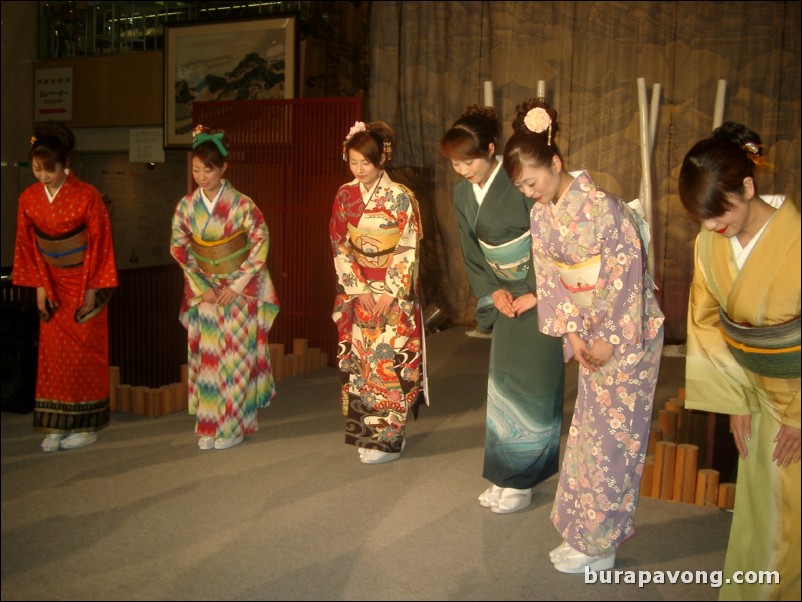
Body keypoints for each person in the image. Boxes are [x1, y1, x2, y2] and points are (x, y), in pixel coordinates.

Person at [502, 98, 664, 571]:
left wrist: (609, 340)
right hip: (589, 333)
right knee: (590, 435)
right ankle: (583, 532)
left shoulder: (604, 209)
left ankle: (602, 543)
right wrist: (572, 336)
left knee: (616, 440)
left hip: (626, 336)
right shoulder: (542, 216)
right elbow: (551, 281)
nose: (530, 194)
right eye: (522, 188)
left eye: (532, 182)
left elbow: (626, 277)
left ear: (555, 163)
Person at [678, 122, 800, 601]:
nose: (710, 226)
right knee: (759, 511)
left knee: (791, 518)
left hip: (796, 396)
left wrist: (798, 414)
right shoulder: (710, 244)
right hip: (751, 394)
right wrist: (734, 403)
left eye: (718, 212)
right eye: (701, 217)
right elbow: (705, 323)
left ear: (747, 187)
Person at [439, 105, 565, 513]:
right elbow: (470, 248)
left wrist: (534, 290)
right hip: (507, 296)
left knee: (534, 386)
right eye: (455, 163)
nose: (462, 170)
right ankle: (503, 472)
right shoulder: (462, 194)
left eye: (468, 161)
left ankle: (523, 480)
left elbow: (547, 239)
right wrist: (493, 291)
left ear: (491, 150)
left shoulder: (518, 183)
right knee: (504, 387)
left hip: (537, 292)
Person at [170, 125, 280, 451]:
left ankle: (233, 424)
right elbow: (180, 249)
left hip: (239, 290)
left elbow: (260, 242)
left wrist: (240, 281)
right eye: (196, 169)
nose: (201, 176)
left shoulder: (243, 205)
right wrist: (200, 286)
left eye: (208, 169)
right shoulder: (186, 207)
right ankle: (208, 424)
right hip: (206, 291)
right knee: (208, 358)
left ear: (224, 168)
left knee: (235, 358)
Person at [13, 121, 118, 452]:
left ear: (65, 164)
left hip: (84, 279)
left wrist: (91, 288)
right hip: (52, 281)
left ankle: (86, 425)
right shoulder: (28, 199)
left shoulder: (87, 196)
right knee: (52, 356)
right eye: (36, 169)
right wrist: (40, 286)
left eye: (49, 169)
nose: (42, 176)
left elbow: (100, 243)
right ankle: (55, 424)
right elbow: (27, 244)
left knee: (84, 355)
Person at [329, 120, 426, 464]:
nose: (359, 170)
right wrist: (356, 288)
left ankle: (390, 439)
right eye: (353, 162)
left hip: (390, 294)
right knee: (361, 364)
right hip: (359, 293)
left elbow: (408, 245)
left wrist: (390, 291)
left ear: (381, 160)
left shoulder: (400, 197)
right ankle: (365, 433)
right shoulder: (344, 195)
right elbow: (340, 243)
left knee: (386, 363)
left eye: (365, 163)